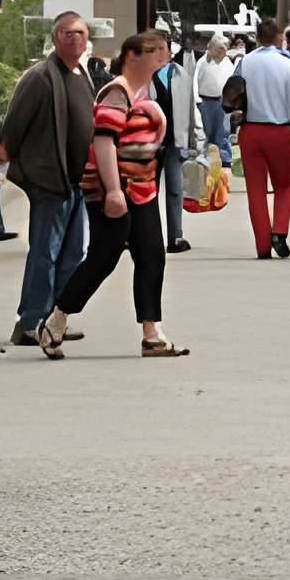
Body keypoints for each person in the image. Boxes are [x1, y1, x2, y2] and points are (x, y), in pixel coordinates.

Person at [38, 30, 187, 359]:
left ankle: (152, 332)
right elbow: (104, 141)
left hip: (143, 188)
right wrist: (114, 191)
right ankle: (56, 318)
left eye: (164, 51)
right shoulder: (117, 92)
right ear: (133, 57)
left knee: (151, 255)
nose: (162, 57)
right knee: (103, 258)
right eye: (154, 51)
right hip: (114, 188)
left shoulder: (145, 88)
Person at [0, 10, 96, 348]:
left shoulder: (81, 73)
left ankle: (56, 321)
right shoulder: (39, 77)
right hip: (49, 181)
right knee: (45, 253)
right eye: (67, 33)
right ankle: (29, 322)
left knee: (72, 254)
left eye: (80, 33)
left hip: (77, 183)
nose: (75, 39)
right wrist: (13, 159)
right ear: (55, 37)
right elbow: (13, 129)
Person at [229, 14, 290, 258]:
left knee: (255, 189)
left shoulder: (245, 62)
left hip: (250, 130)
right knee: (284, 184)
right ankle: (279, 231)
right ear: (279, 37)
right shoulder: (287, 65)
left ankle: (262, 245)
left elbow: (233, 91)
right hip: (279, 130)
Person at [152, 39, 198, 253]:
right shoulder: (142, 74)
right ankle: (145, 236)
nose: (160, 53)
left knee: (175, 189)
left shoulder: (180, 74)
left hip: (173, 140)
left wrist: (193, 139)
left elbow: (190, 107)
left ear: (171, 52)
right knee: (146, 191)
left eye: (164, 49)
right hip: (148, 142)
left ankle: (175, 237)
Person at [196, 34, 232, 168]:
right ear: (211, 48)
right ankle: (207, 157)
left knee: (223, 131)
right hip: (205, 101)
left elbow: (231, 80)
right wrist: (197, 99)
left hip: (222, 101)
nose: (222, 54)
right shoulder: (202, 62)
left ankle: (224, 157)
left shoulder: (227, 62)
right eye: (219, 51)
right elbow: (194, 80)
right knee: (208, 131)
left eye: (224, 51)